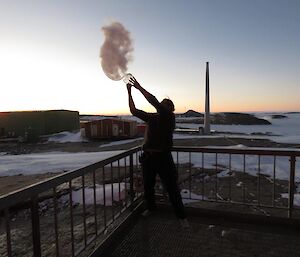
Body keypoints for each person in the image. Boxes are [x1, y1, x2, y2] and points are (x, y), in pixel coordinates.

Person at [126, 76, 188, 227]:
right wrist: (129, 93)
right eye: (163, 103)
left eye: (166, 104)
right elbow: (133, 111)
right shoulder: (152, 118)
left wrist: (139, 87)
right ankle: (151, 208)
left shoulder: (169, 117)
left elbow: (152, 100)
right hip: (148, 158)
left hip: (163, 158)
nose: (163, 105)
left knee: (172, 187)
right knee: (148, 186)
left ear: (171, 109)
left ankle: (181, 216)